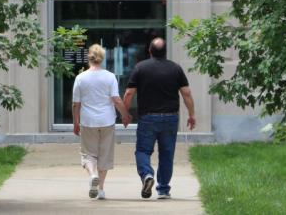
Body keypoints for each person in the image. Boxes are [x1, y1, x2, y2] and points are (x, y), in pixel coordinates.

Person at [123, 37, 196, 200]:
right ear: (166, 52)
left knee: (142, 150)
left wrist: (125, 113)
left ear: (149, 51)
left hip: (147, 118)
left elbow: (129, 93)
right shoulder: (176, 69)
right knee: (167, 154)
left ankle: (147, 175)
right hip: (170, 118)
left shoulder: (140, 68)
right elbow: (187, 93)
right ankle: (163, 190)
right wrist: (191, 114)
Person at [72, 44, 131, 200]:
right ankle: (101, 189)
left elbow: (75, 104)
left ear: (88, 58)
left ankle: (92, 175)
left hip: (88, 121)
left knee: (88, 154)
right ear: (102, 58)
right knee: (105, 154)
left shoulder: (80, 78)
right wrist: (125, 114)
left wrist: (75, 122)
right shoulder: (110, 76)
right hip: (106, 121)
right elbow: (116, 99)